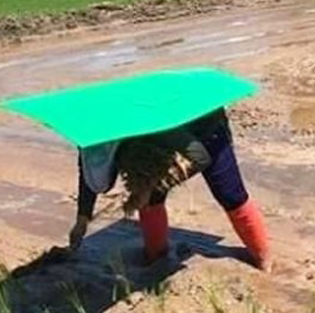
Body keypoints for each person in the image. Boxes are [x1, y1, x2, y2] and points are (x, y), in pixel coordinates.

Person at [68, 109, 272, 271]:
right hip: (155, 139)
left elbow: (201, 158)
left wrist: (154, 185)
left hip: (205, 129)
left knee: (230, 196)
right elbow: (89, 171)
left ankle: (263, 260)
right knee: (148, 199)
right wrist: (82, 219)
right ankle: (156, 258)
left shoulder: (154, 128)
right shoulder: (92, 137)